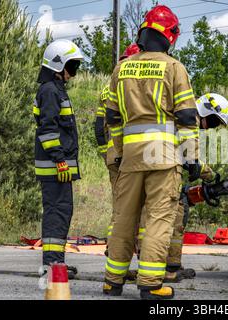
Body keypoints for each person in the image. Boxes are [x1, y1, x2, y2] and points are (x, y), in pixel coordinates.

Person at [103, 5, 204, 300]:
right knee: (159, 218)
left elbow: (113, 119)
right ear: (170, 36)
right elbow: (186, 118)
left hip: (131, 158)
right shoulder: (174, 68)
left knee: (124, 217)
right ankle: (149, 284)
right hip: (162, 157)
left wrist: (120, 153)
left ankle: (112, 281)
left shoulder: (121, 69)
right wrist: (192, 157)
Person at [138, 93, 228, 283]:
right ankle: (161, 268)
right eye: (213, 123)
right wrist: (210, 174)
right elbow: (189, 157)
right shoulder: (188, 121)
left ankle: (171, 265)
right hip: (162, 172)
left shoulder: (184, 117)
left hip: (160, 169)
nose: (210, 128)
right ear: (207, 112)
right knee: (170, 215)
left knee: (176, 212)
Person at [33, 39, 83, 277]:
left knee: (61, 212)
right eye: (72, 67)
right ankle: (51, 265)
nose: (73, 74)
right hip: (55, 167)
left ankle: (55, 262)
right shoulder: (50, 91)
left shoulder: (53, 89)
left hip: (57, 166)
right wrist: (59, 159)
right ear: (58, 65)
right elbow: (48, 130)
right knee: (57, 212)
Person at [94, 43, 141, 247]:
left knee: (119, 205)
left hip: (114, 155)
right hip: (134, 153)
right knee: (141, 207)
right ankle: (138, 251)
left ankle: (113, 250)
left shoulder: (108, 87)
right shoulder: (136, 85)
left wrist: (108, 153)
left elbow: (99, 127)